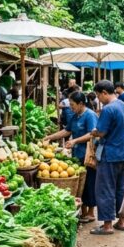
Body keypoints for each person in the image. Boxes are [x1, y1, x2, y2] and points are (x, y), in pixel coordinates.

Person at [44, 91, 98, 223]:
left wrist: (74, 141)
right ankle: (83, 212)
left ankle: (91, 213)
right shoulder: (75, 116)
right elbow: (67, 131)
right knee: (81, 185)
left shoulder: (90, 115)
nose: (71, 107)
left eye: (73, 105)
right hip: (77, 155)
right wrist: (49, 137)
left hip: (88, 155)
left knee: (89, 183)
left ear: (81, 104)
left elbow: (92, 134)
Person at [91, 80, 124, 234]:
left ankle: (107, 225)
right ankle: (122, 221)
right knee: (121, 187)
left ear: (104, 92)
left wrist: (94, 132)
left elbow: (101, 132)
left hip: (110, 154)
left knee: (105, 188)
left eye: (98, 95)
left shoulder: (108, 109)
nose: (98, 99)